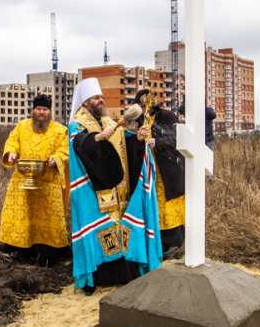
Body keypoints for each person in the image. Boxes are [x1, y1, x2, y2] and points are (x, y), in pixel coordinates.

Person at [67, 78, 161, 295]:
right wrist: (95, 139)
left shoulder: (111, 122)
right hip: (95, 193)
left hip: (120, 191)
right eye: (96, 98)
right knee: (102, 230)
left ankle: (124, 273)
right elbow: (78, 143)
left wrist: (137, 138)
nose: (101, 101)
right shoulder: (78, 124)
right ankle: (101, 277)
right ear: (85, 102)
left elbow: (126, 145)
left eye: (101, 97)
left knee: (121, 229)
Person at [0, 94, 70, 267]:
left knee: (50, 218)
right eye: (38, 109)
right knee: (24, 215)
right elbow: (12, 141)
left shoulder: (60, 130)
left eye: (45, 109)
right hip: (22, 182)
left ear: (50, 112)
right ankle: (22, 250)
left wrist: (56, 158)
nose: (41, 112)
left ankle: (49, 253)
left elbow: (65, 150)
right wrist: (12, 153)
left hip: (48, 182)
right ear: (33, 110)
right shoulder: (22, 126)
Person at [134, 89, 185, 257]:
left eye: (143, 105)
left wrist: (159, 142)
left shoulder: (167, 117)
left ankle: (175, 242)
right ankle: (161, 241)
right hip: (151, 169)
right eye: (140, 106)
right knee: (156, 205)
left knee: (169, 207)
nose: (142, 109)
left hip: (168, 169)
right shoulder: (141, 120)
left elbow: (180, 138)